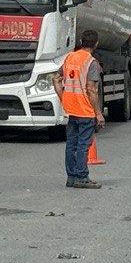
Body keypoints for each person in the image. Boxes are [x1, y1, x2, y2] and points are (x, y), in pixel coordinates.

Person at [53, 29, 106, 189]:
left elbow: (56, 79)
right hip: (85, 109)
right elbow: (92, 89)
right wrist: (98, 113)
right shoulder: (91, 62)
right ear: (96, 44)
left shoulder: (70, 58)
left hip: (71, 109)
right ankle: (82, 177)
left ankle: (71, 177)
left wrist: (64, 98)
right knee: (83, 145)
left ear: (81, 42)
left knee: (71, 144)